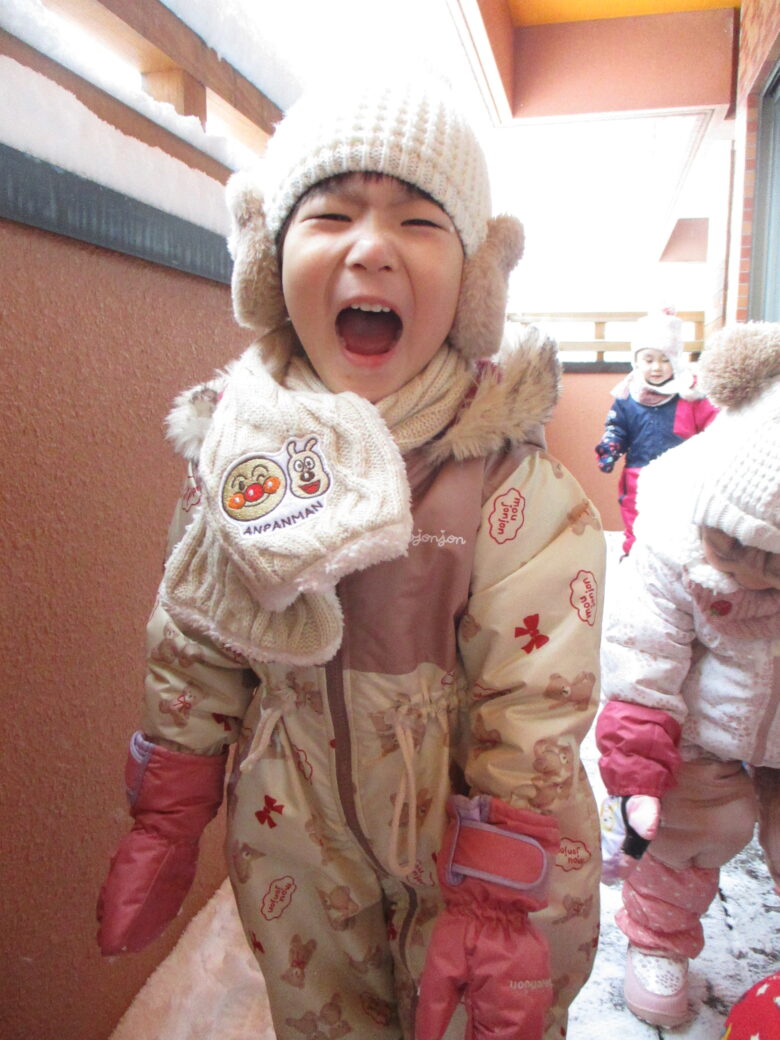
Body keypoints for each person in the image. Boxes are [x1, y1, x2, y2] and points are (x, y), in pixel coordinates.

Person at [96, 77, 606, 1040]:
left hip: (472, 837)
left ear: (473, 278)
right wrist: (171, 804)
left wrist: (499, 902)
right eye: (329, 214)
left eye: (417, 222)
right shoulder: (242, 463)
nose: (370, 247)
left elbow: (538, 703)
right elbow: (197, 635)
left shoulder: (502, 484)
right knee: (320, 1018)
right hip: (295, 837)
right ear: (268, 256)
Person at [595, 321, 780, 1029]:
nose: (748, 573)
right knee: (684, 821)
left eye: (776, 561)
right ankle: (660, 941)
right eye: (730, 545)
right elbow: (643, 658)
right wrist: (639, 771)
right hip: (706, 720)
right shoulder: (673, 531)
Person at [595, 309, 718, 556]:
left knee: (680, 520)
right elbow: (617, 427)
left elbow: (714, 427)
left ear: (676, 361)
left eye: (665, 360)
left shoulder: (690, 394)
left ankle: (677, 560)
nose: (656, 367)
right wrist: (610, 447)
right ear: (636, 361)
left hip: (682, 476)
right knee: (634, 514)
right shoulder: (627, 395)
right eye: (649, 359)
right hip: (637, 471)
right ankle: (634, 555)